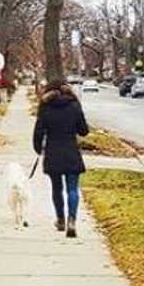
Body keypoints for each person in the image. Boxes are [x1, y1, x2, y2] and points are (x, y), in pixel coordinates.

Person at [33, 81, 90, 237]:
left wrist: (38, 149)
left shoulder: (45, 106)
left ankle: (60, 220)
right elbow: (84, 131)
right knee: (73, 188)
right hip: (71, 150)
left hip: (53, 152)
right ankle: (72, 220)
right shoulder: (74, 105)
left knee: (56, 188)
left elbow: (38, 131)